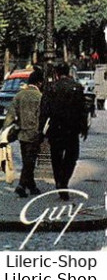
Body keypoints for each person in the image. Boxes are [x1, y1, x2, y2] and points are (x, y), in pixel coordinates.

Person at [41, 62, 89, 200]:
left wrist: (41, 129)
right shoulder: (77, 87)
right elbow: (82, 110)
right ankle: (64, 181)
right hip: (71, 128)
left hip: (55, 128)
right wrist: (84, 128)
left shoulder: (51, 88)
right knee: (72, 156)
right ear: (68, 72)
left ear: (56, 73)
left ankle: (59, 181)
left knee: (56, 157)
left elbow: (44, 110)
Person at [3, 66, 43, 198]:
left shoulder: (19, 96)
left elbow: (10, 115)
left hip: (22, 134)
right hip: (34, 133)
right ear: (39, 83)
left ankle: (32, 186)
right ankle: (21, 186)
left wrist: (4, 132)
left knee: (27, 160)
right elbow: (42, 117)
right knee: (29, 162)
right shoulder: (40, 97)